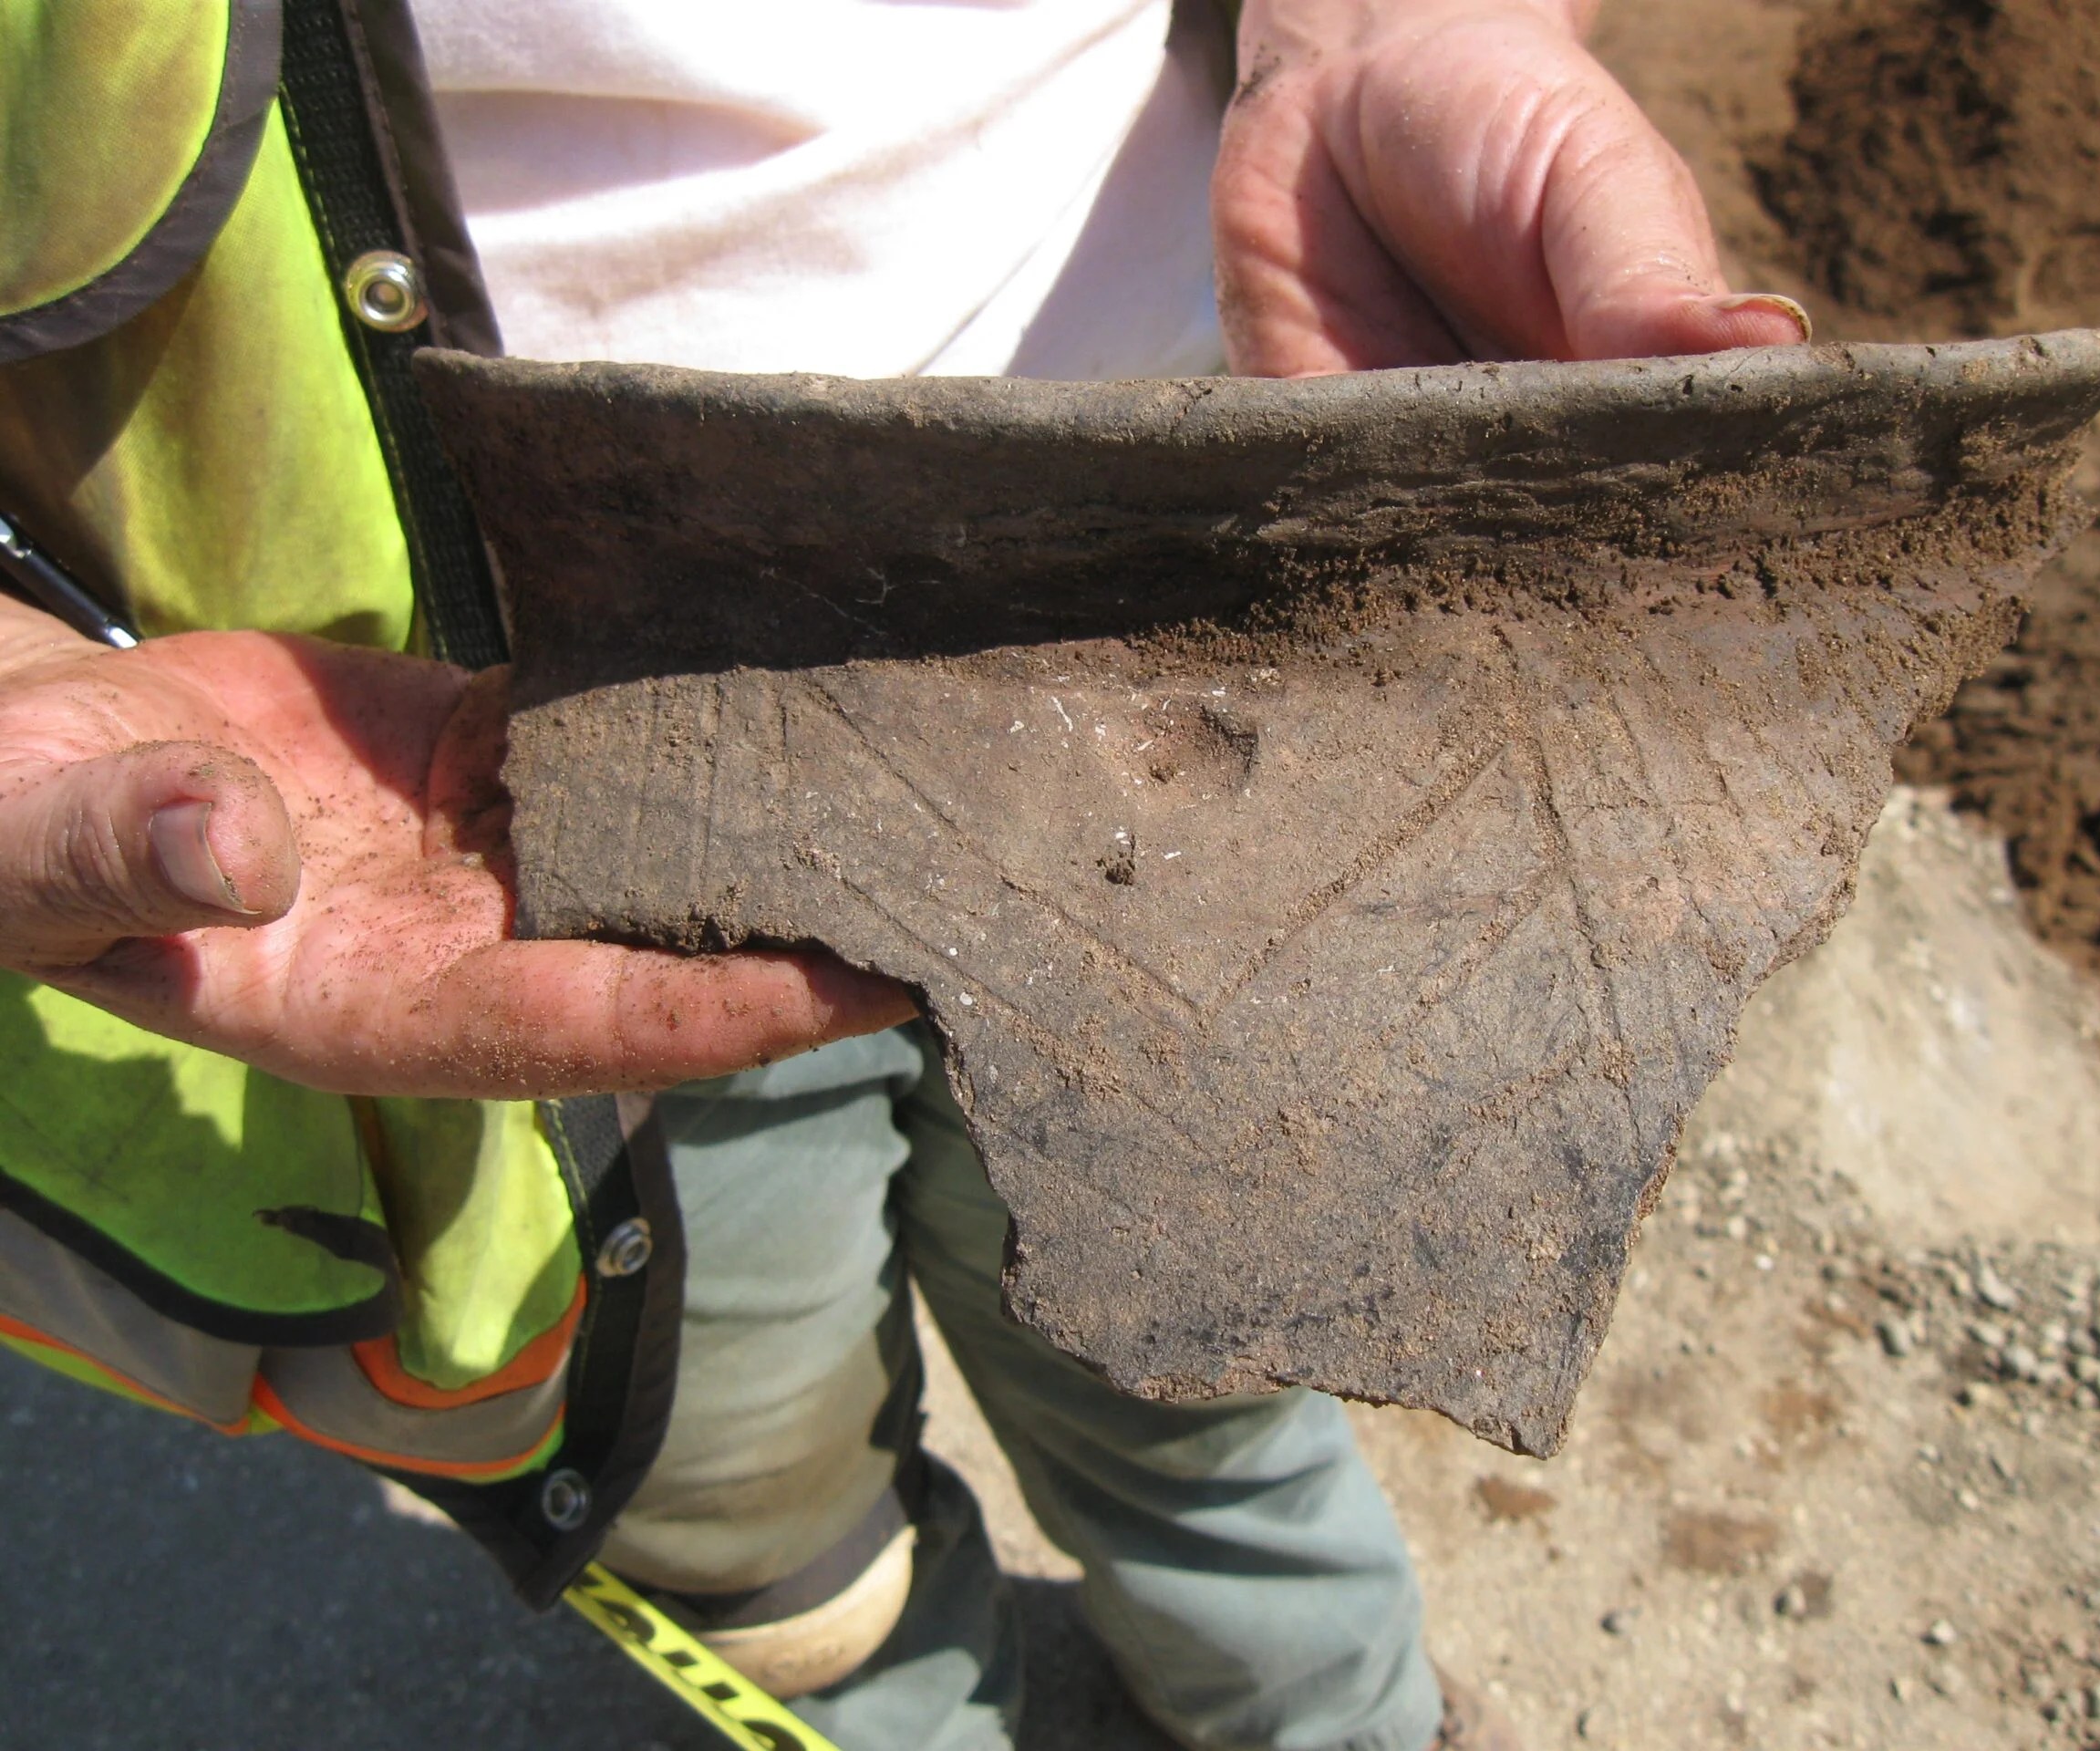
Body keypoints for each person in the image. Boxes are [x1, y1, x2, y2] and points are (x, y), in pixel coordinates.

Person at [0, 1, 1808, 1746]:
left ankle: (1333, 1718)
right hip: (502, 824)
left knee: (1195, 1376)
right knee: (753, 1497)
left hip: (1156, 681)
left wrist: (1390, 28)